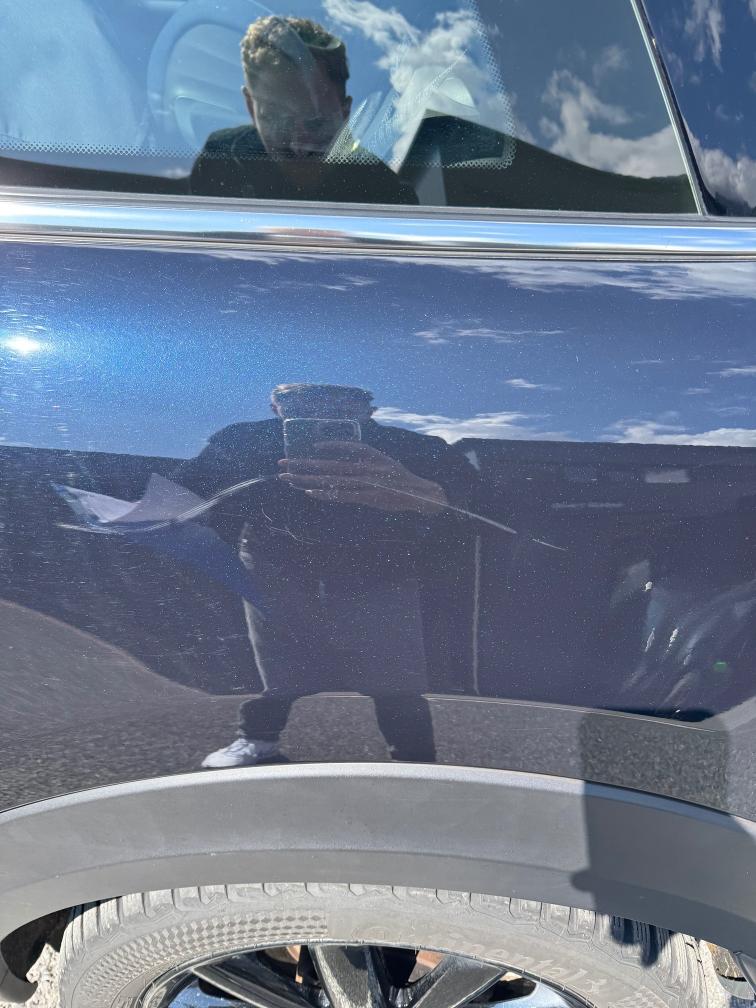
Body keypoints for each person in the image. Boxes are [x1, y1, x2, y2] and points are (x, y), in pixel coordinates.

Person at [172, 383, 476, 767]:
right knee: (274, 657)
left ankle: (414, 757)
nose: (321, 413)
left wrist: (426, 493)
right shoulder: (243, 439)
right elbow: (184, 487)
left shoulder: (412, 446)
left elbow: (478, 497)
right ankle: (258, 739)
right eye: (302, 406)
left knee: (393, 667)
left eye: (339, 407)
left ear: (367, 412)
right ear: (276, 408)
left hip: (376, 560)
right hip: (275, 557)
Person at [190, 16, 417, 204]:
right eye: (278, 120)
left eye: (317, 122)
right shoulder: (220, 160)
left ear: (345, 114)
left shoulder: (388, 197)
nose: (299, 145)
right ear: (251, 107)